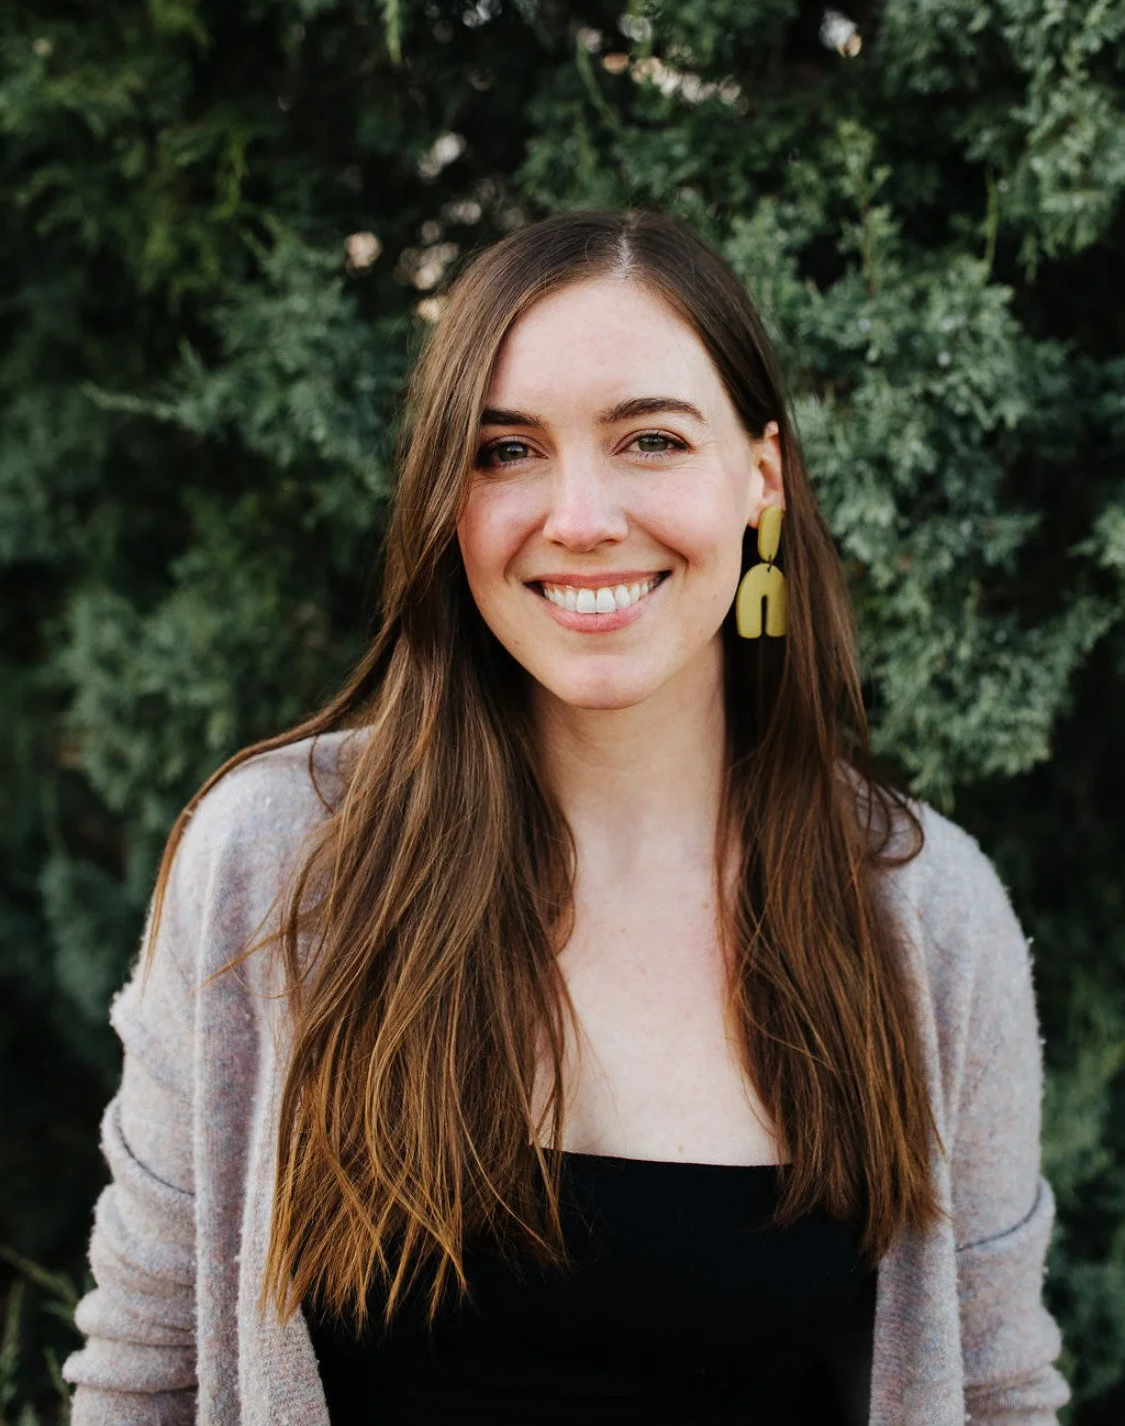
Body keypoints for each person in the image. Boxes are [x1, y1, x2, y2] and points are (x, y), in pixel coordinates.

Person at [63, 209, 1069, 1424]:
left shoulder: (927, 913)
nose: (580, 514)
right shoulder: (275, 865)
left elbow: (999, 1394)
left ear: (761, 478)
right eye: (506, 450)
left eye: (649, 439)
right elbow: (142, 1381)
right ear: (447, 495)